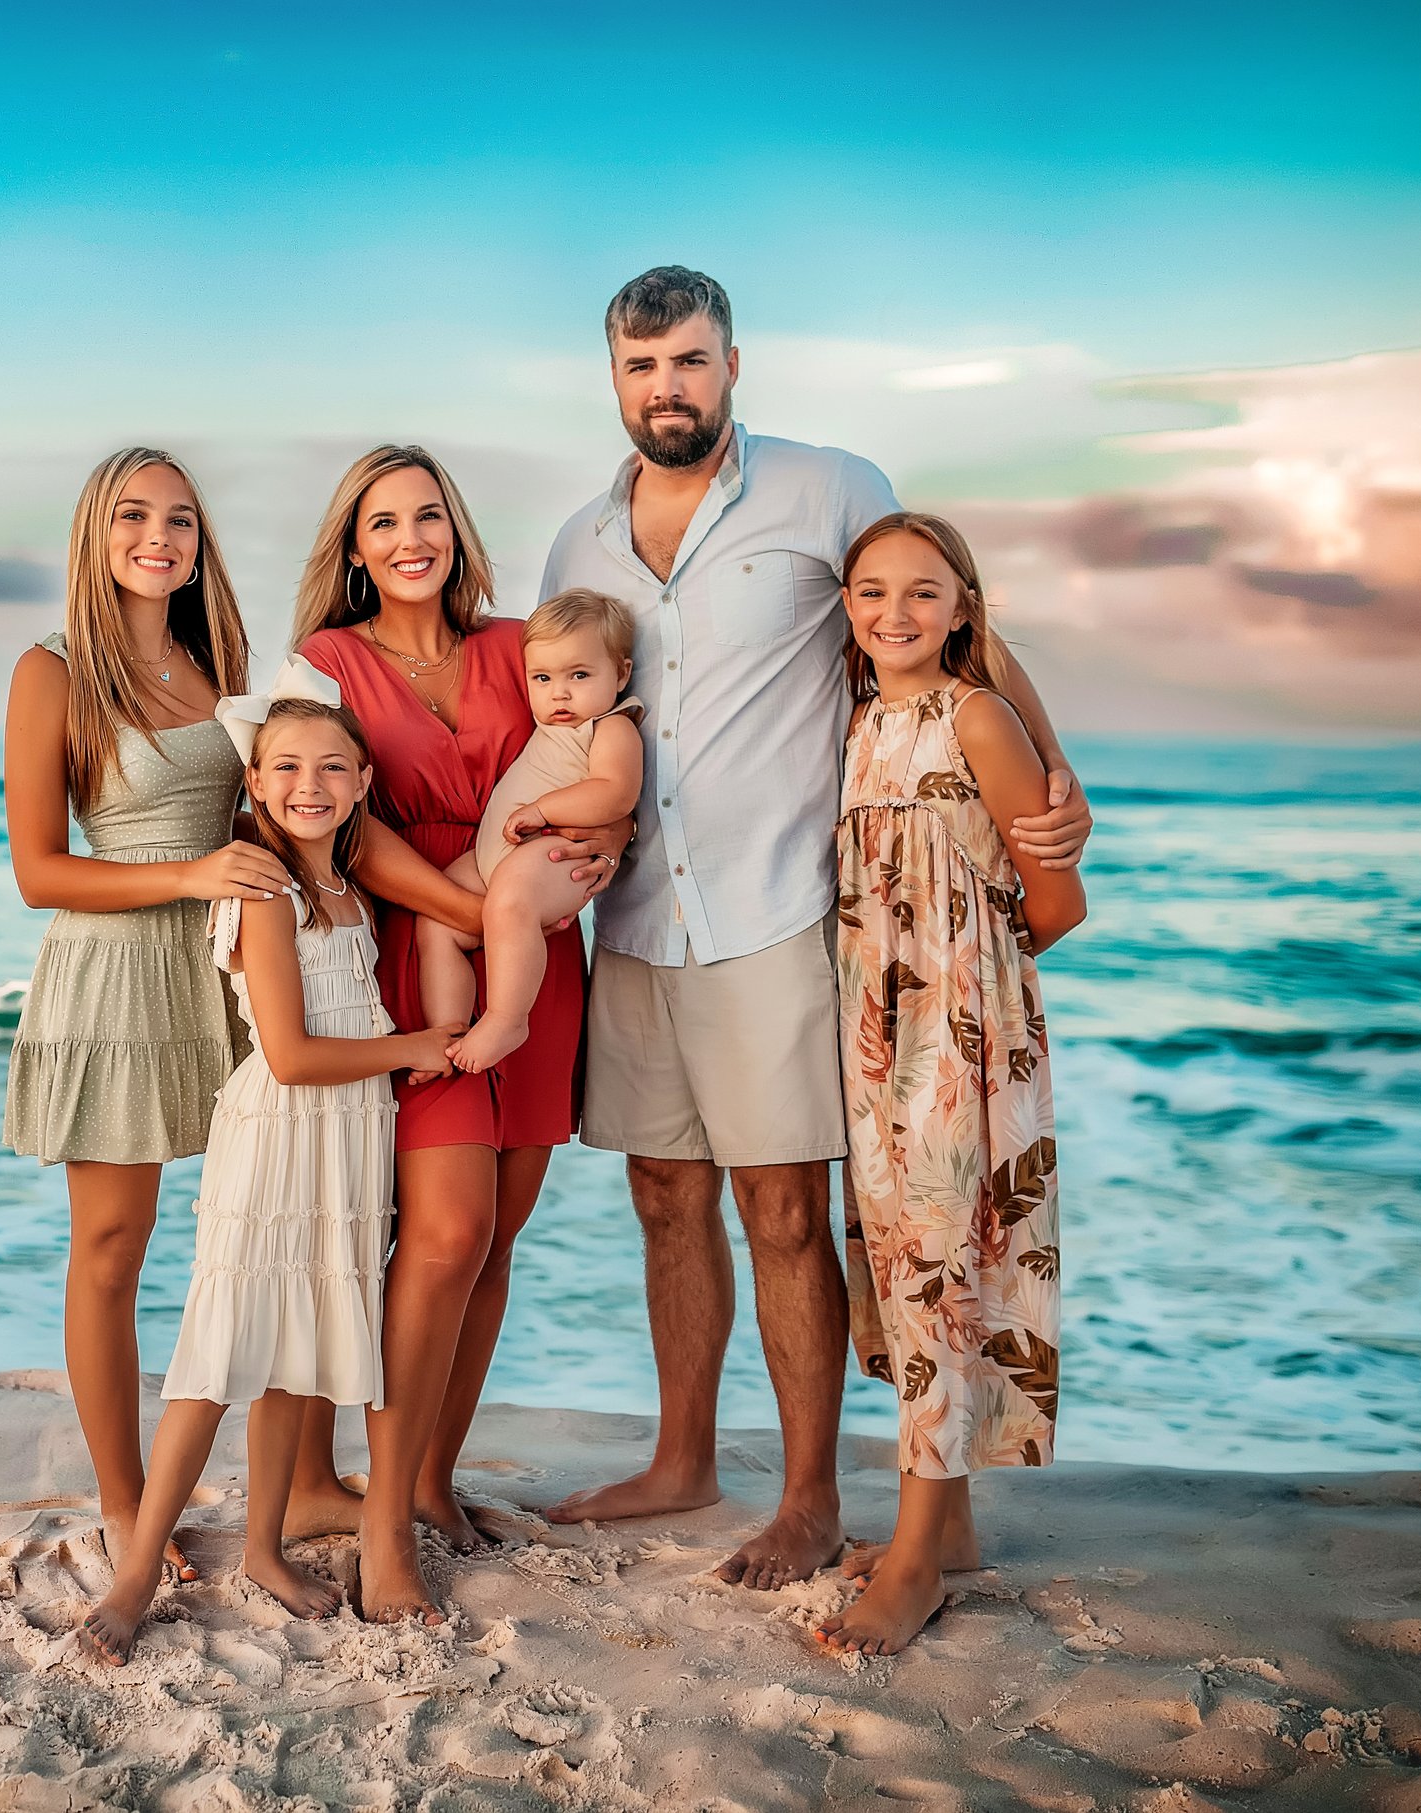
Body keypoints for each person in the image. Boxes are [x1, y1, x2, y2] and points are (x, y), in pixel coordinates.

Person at [538, 267, 1094, 1590]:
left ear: (734, 364)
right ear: (611, 377)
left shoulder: (831, 486)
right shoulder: (578, 544)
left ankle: (805, 1499)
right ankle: (682, 1458)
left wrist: (1054, 789)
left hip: (780, 907)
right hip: (633, 921)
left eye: (687, 360)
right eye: (639, 366)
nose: (664, 386)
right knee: (664, 1195)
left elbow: (956, 629)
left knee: (783, 1210)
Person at [289, 445, 632, 1620]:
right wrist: (467, 909)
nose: (408, 539)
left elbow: (601, 752)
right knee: (441, 1234)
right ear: (354, 548)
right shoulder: (327, 662)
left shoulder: (517, 643)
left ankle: (431, 1480)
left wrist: (611, 842)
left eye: (426, 515)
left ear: (456, 527)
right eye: (381, 523)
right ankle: (381, 1526)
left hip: (540, 966)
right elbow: (341, 822)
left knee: (495, 1243)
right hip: (411, 961)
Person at [79, 671, 462, 1663]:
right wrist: (414, 1046)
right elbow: (289, 1054)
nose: (310, 783)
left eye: (332, 766)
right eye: (287, 766)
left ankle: (262, 1549)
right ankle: (133, 1577)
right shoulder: (264, 889)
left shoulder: (345, 884)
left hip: (346, 1136)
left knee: (297, 1352)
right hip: (284, 1129)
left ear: (363, 780)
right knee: (218, 1357)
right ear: (253, 779)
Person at [1, 447, 292, 1582]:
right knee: (114, 1247)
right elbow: (39, 870)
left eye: (178, 517)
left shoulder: (217, 662)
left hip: (223, 970)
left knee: (262, 1231)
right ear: (97, 531)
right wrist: (188, 876)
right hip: (115, 975)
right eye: (133, 515)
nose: (157, 535)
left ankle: (292, 1478)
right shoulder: (52, 669)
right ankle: (127, 1502)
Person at [813, 513, 1084, 1655]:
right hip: (875, 1042)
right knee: (901, 1265)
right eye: (870, 591)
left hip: (958, 1043)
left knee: (942, 1268)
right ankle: (952, 1522)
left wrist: (965, 996)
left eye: (923, 592)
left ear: (964, 608)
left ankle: (915, 1561)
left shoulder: (975, 715)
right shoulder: (865, 721)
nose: (893, 613)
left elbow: (1059, 900)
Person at [418, 588, 645, 1074]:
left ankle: (507, 1017)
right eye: (542, 678)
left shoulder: (611, 726)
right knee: (436, 920)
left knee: (511, 900)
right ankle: (447, 1032)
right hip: (503, 855)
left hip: (555, 853)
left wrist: (544, 809)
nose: (559, 693)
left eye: (579, 676)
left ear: (621, 674)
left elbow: (615, 791)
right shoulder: (554, 723)